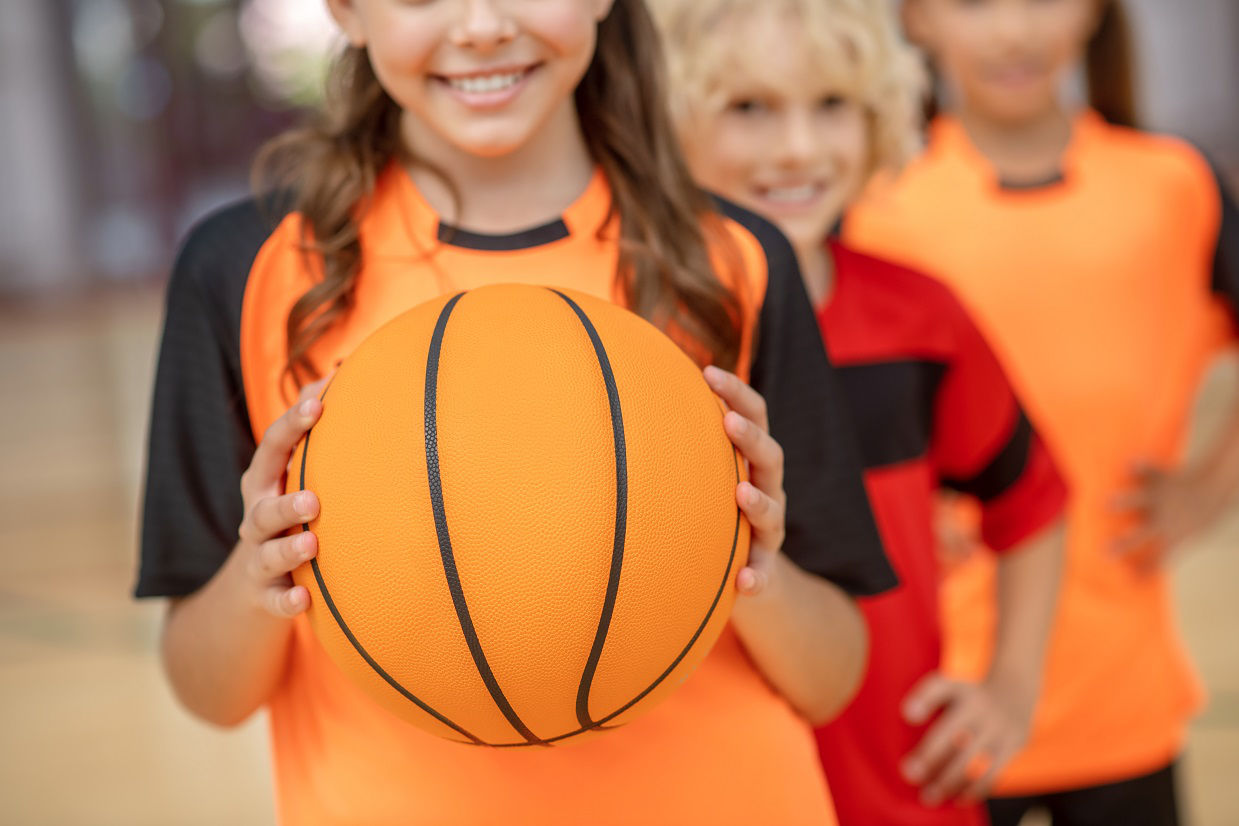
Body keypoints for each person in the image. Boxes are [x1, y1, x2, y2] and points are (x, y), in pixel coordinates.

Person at [133, 1, 897, 824]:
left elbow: (831, 679)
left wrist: (748, 564)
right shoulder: (246, 273)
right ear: (347, 11)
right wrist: (259, 574)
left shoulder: (733, 261)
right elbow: (208, 692)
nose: (483, 26)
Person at [650, 1, 1067, 823]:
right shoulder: (632, 339)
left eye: (832, 104)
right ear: (667, 121)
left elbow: (1034, 501)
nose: (800, 147)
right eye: (749, 108)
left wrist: (1013, 688)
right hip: (713, 791)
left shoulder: (922, 318)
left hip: (905, 787)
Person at [844, 1, 1239, 823]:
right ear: (915, 18)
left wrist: (1210, 486)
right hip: (944, 701)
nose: (1013, 31)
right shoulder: (877, 208)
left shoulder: (1171, 186)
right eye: (975, 3)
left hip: (1121, 697)